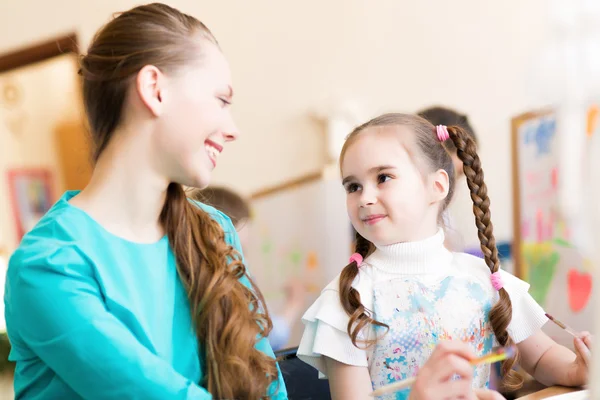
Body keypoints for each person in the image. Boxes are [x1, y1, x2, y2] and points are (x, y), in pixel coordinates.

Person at [3, 4, 286, 399]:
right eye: (221, 100)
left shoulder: (216, 231)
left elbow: (266, 386)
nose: (233, 129)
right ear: (155, 89)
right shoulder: (47, 265)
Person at [297, 113, 592, 399]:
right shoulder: (348, 297)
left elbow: (542, 358)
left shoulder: (483, 279)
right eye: (353, 186)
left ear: (437, 186)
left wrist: (577, 369)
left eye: (383, 177)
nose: (365, 198)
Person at [190, 186, 307, 351]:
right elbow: (263, 336)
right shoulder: (234, 273)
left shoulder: (194, 269)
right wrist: (294, 304)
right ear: (237, 226)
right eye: (248, 225)